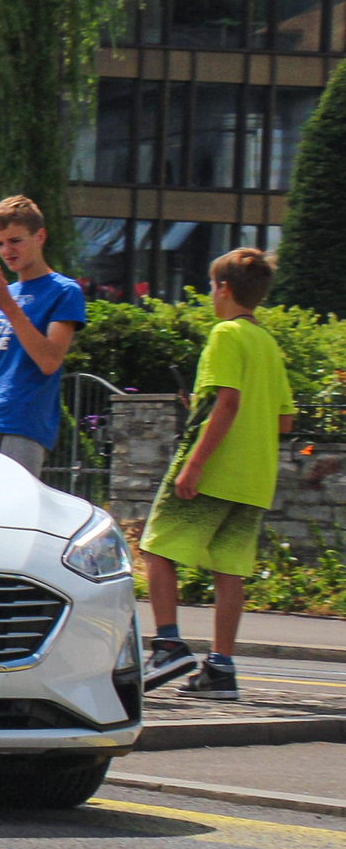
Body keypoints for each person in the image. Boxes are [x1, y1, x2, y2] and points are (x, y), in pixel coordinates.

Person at [139, 248, 294, 700]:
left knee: (155, 546)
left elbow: (227, 402)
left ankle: (168, 644)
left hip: (215, 469)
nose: (210, 294)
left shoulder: (225, 334)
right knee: (230, 572)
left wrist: (195, 464)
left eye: (211, 287)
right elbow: (283, 421)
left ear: (223, 289)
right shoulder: (267, 343)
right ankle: (220, 671)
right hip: (254, 479)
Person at [0, 195, 85, 474]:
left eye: (15, 241)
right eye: (0, 243)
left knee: (9, 510)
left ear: (39, 236)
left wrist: (7, 305)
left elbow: (50, 361)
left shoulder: (64, 291)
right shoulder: (0, 295)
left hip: (23, 425)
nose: (7, 251)